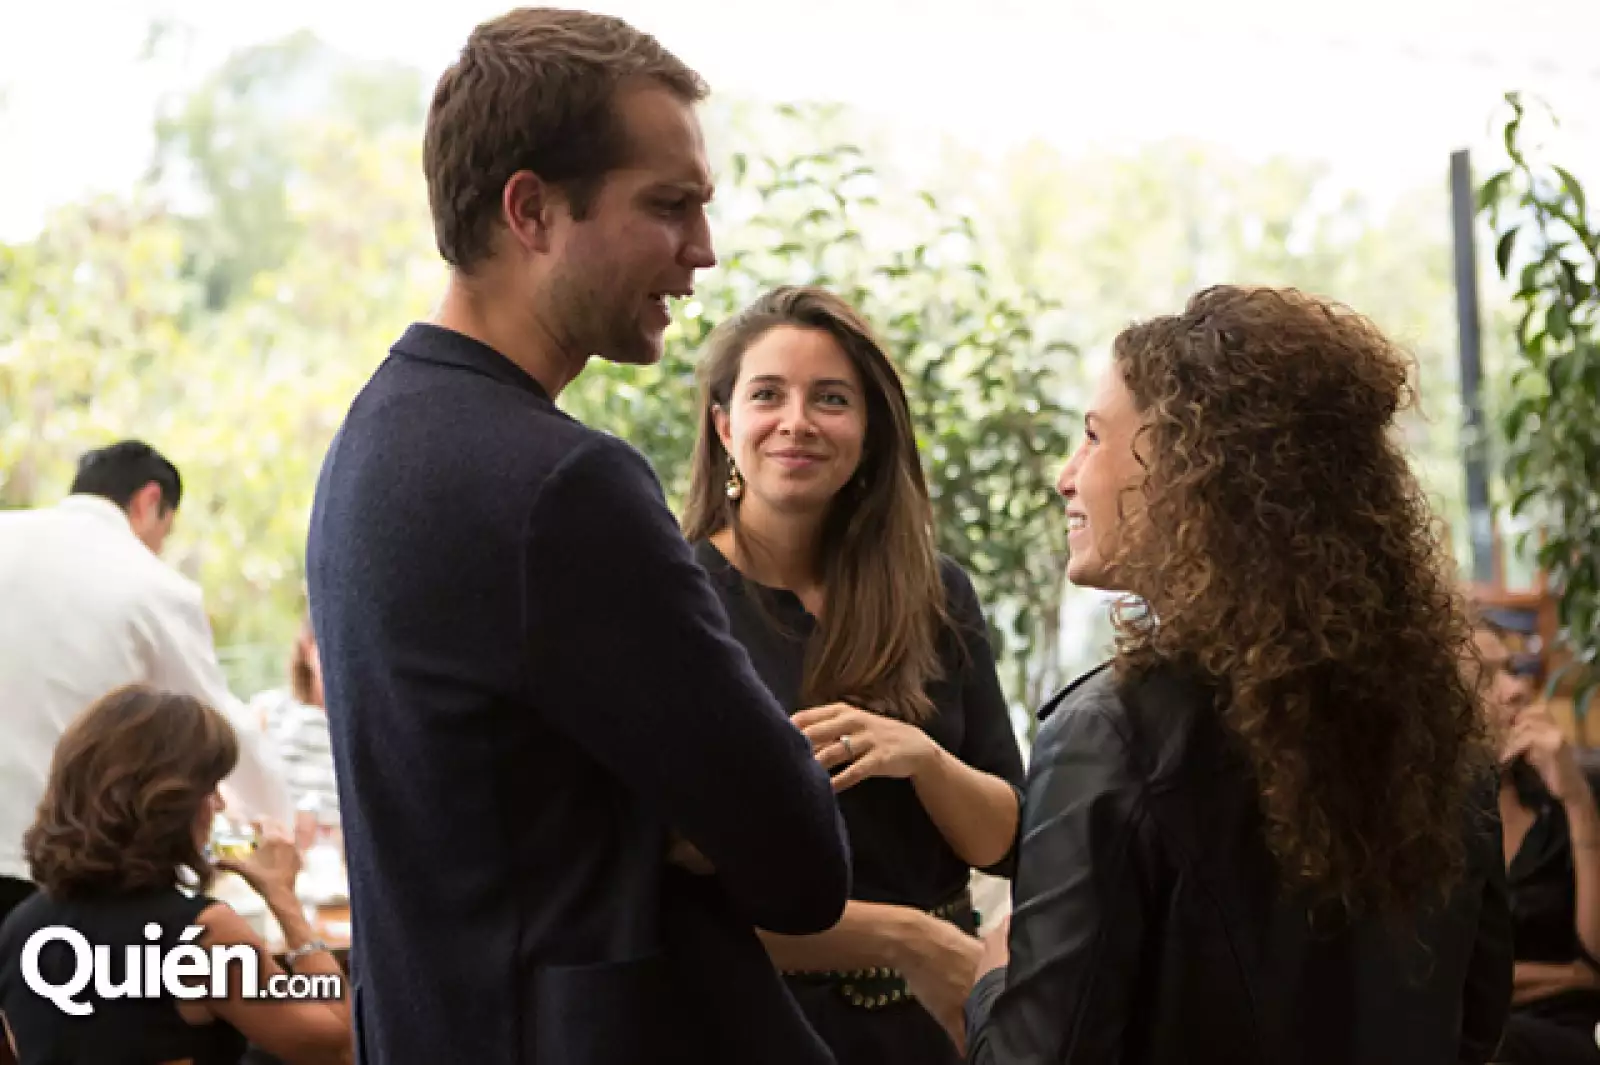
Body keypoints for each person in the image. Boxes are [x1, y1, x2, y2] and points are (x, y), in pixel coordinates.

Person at [305, 10, 850, 1065]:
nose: (704, 250)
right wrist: (671, 819)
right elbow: (798, 858)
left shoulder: (375, 437)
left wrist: (634, 812)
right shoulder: (560, 486)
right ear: (532, 209)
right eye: (668, 205)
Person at [962, 285, 1513, 1063]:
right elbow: (1478, 1019)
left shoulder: (1110, 737)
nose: (1066, 475)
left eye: (1092, 436)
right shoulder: (1438, 721)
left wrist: (988, 981)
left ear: (1188, 471)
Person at [678, 285, 1025, 1063]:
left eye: (831, 398)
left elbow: (1010, 841)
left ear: (869, 430)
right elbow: (664, 883)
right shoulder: (676, 600)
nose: (797, 421)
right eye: (768, 394)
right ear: (724, 424)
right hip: (755, 1026)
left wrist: (923, 757)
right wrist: (906, 938)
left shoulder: (939, 593)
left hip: (941, 1026)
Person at [0, 441, 293, 927]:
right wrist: (278, 826)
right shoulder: (149, 584)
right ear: (148, 501)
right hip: (55, 867)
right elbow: (217, 723)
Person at [0, 686, 350, 1065]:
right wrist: (282, 895)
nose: (217, 804)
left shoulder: (19, 928)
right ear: (170, 801)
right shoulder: (202, 935)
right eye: (209, 788)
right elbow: (338, 1042)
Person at [1473, 614, 1600, 1062]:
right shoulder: (1431, 820)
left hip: (1564, 1037)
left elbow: (1598, 958)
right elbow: (1436, 980)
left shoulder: (1564, 796)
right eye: (1486, 677)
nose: (1515, 688)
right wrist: (1572, 976)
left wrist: (1578, 801)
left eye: (1510, 668)